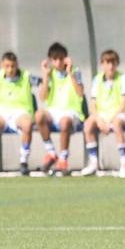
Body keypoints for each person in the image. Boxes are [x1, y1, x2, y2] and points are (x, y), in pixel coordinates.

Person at [0, 52, 42, 176]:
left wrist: (46, 75)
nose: (10, 69)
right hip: (2, 112)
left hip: (21, 112)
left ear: (17, 65)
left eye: (13, 66)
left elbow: (42, 83)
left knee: (27, 125)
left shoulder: (26, 76)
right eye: (7, 66)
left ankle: (23, 161)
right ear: (2, 65)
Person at [36, 42, 86, 176]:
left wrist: (70, 73)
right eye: (55, 59)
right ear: (51, 60)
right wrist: (45, 76)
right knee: (39, 115)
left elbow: (80, 93)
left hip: (72, 112)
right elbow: (42, 97)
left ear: (66, 58)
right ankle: (51, 152)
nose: (58, 62)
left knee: (65, 122)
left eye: (60, 58)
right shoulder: (49, 74)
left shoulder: (75, 72)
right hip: (53, 112)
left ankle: (63, 159)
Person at [81, 50, 125, 177]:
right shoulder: (97, 79)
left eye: (113, 63)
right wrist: (99, 120)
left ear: (117, 64)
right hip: (102, 116)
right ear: (102, 64)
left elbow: (122, 105)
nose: (110, 66)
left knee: (117, 123)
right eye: (107, 63)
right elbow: (93, 104)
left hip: (120, 114)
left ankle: (124, 163)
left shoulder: (123, 78)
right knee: (88, 125)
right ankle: (93, 163)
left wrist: (109, 121)